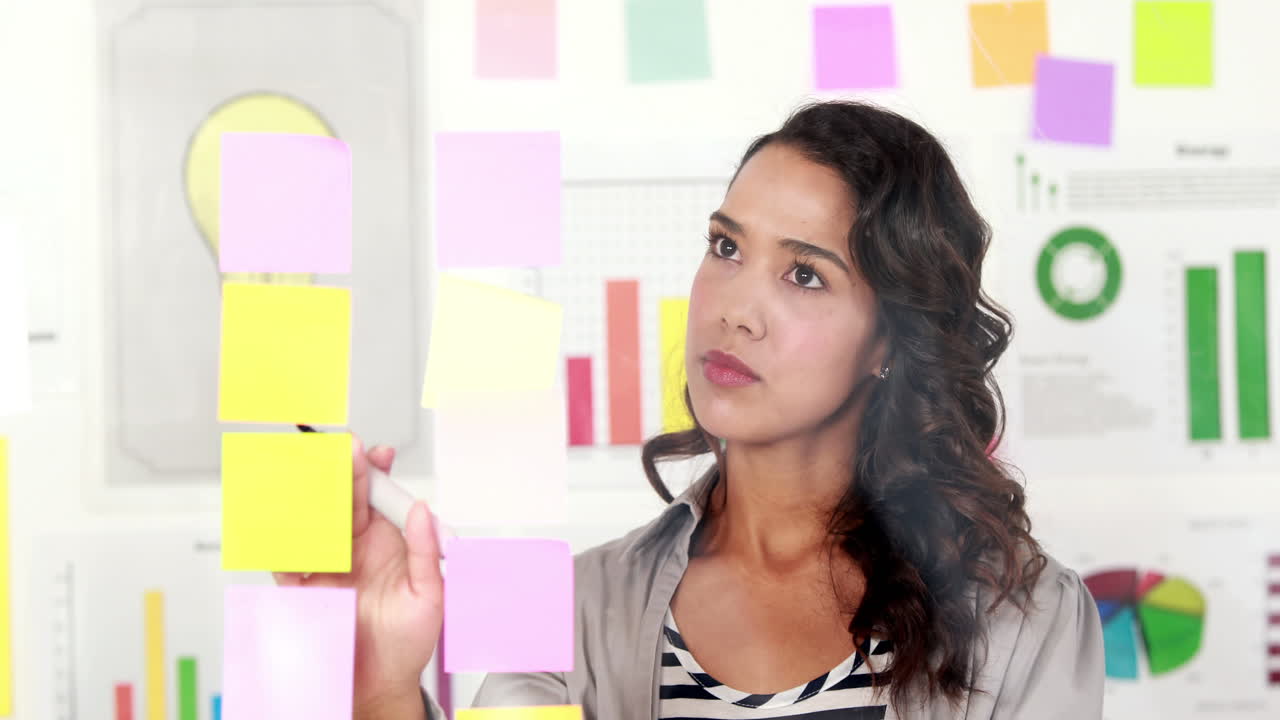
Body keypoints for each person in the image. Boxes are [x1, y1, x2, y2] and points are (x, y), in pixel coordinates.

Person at [273, 99, 1106, 719]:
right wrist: (383, 680)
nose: (734, 307)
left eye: (804, 273)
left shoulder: (1022, 619)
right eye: (726, 247)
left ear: (889, 340)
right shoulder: (573, 610)